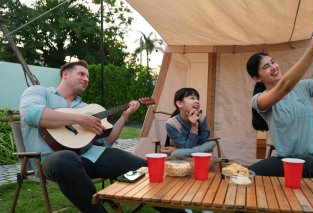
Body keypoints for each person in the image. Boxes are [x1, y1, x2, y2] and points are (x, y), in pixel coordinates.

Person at [19, 60, 148, 212]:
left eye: (88, 76)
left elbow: (106, 141)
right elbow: (31, 114)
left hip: (89, 156)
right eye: (81, 74)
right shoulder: (39, 92)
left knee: (148, 169)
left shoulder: (86, 108)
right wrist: (80, 119)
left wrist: (124, 116)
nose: (86, 79)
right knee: (65, 159)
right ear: (65, 74)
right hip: (51, 160)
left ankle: (177, 208)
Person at [246, 20, 313, 179]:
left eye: (273, 62)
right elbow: (284, 87)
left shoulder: (304, 87)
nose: (274, 67)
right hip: (287, 161)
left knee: (291, 165)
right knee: (246, 174)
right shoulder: (259, 100)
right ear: (257, 78)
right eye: (266, 67)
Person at [160, 88, 216, 157]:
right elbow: (188, 147)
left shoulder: (201, 119)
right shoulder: (171, 124)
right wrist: (194, 127)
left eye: (197, 98)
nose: (197, 101)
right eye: (192, 98)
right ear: (180, 104)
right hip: (183, 157)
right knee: (177, 154)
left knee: (211, 144)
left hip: (192, 153)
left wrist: (176, 150)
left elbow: (202, 144)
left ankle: (176, 152)